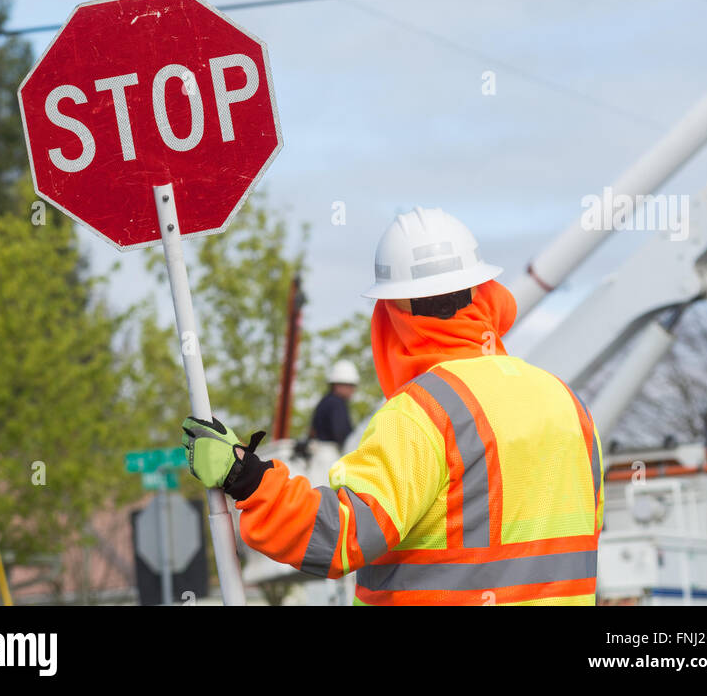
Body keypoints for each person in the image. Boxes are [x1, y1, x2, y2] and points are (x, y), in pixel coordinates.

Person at [181, 207, 605, 607]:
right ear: (487, 295)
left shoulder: (424, 413)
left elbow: (342, 536)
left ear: (392, 316)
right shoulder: (569, 405)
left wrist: (246, 477)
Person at [309, 360, 359, 449]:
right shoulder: (336, 403)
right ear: (337, 385)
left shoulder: (325, 401)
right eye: (350, 385)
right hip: (330, 454)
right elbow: (341, 434)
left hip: (319, 452)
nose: (352, 390)